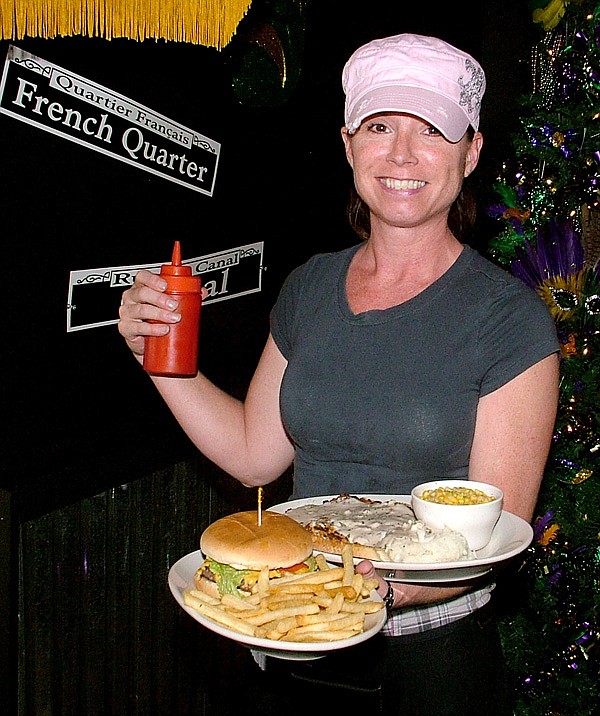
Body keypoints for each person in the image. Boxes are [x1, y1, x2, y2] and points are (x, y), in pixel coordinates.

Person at [118, 33, 560, 715]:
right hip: (288, 633)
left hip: (427, 662)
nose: (402, 155)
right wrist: (159, 357)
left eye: (432, 131)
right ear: (350, 144)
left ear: (470, 153)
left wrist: (375, 590)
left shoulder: (509, 321)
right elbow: (252, 455)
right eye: (380, 127)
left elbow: (491, 538)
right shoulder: (310, 287)